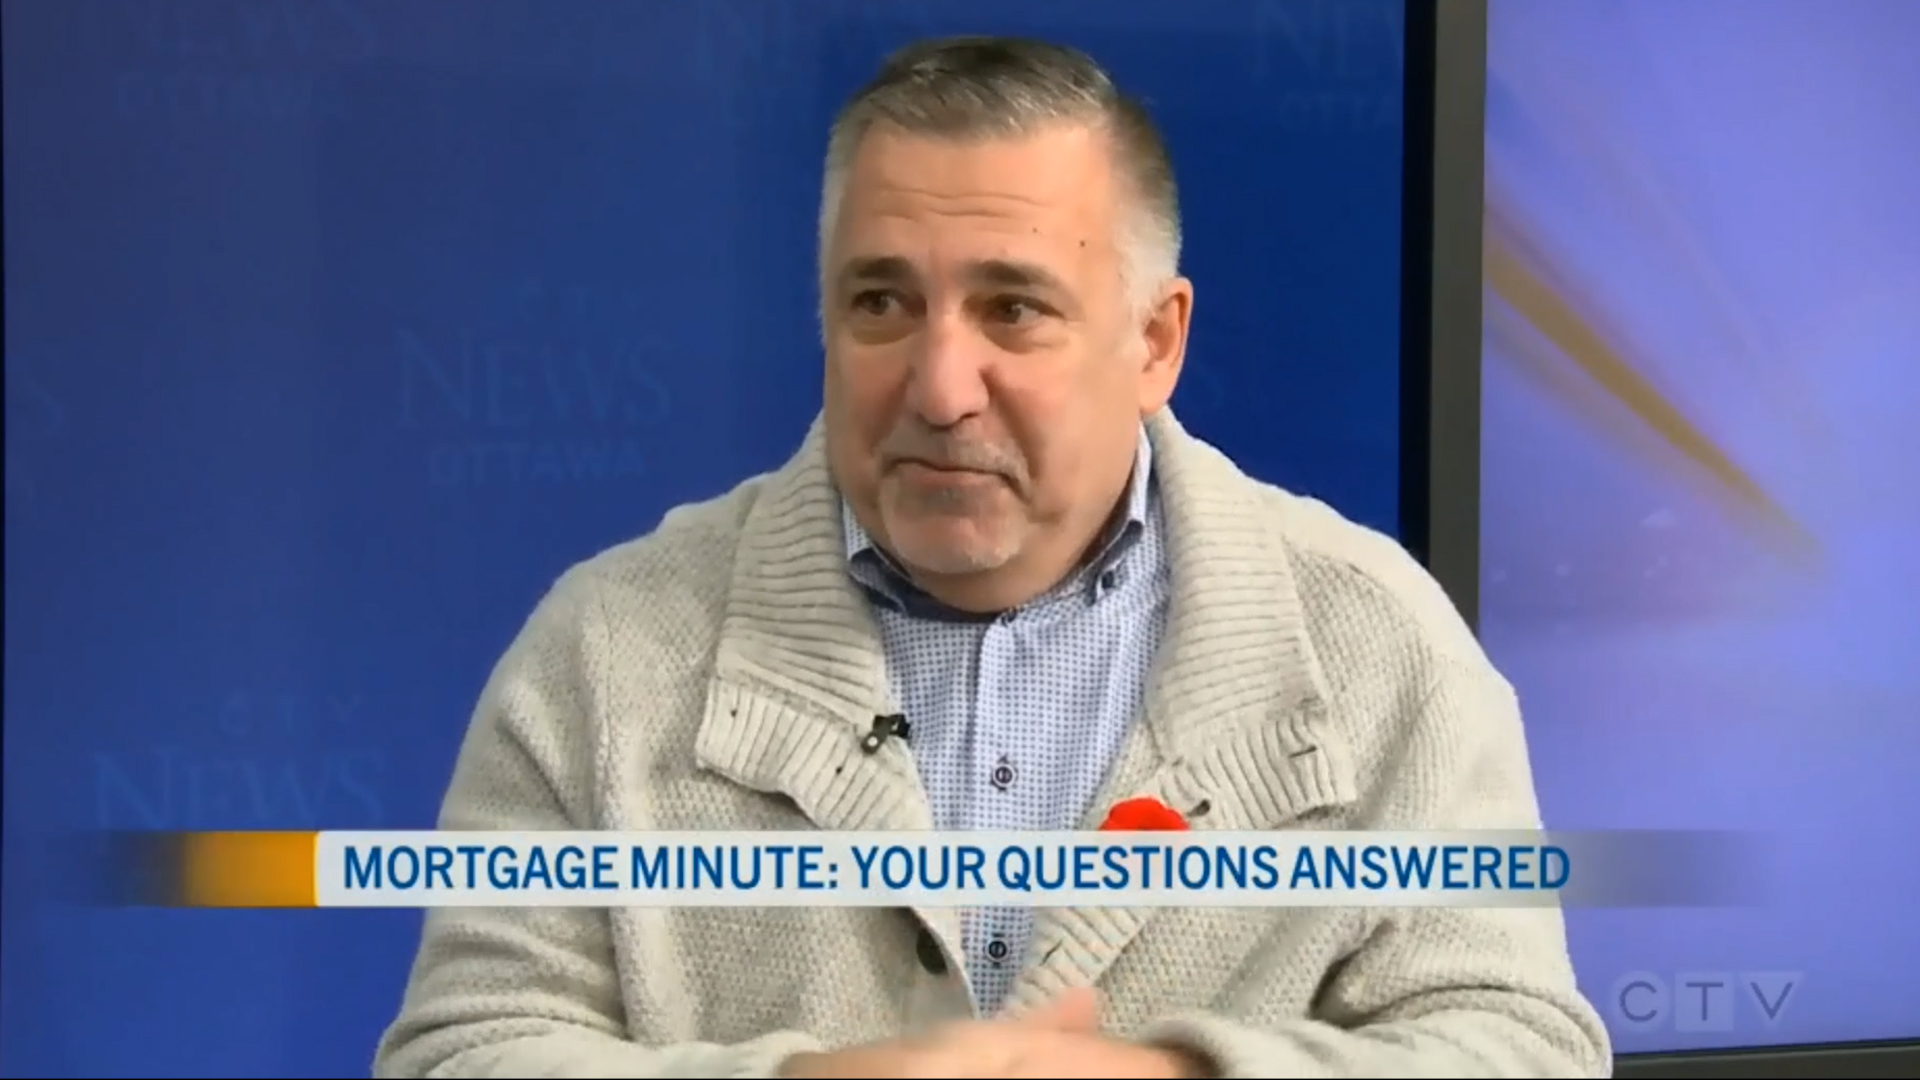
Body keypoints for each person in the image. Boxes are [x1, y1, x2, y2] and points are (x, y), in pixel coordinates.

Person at [373, 36, 1612, 1080]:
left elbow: (1522, 1047)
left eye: (1012, 309)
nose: (939, 386)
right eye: (882, 303)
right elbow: (460, 1053)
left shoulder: (1379, 644)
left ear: (1155, 342)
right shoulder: (605, 653)